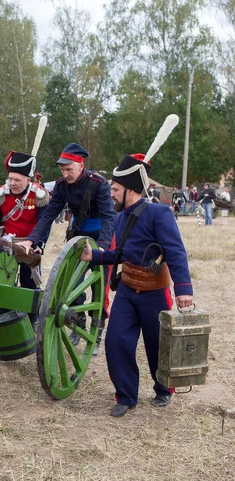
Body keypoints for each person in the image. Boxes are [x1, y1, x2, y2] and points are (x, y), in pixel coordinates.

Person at [81, 153, 193, 417]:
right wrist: (94, 255)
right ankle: (126, 395)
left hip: (155, 292)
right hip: (128, 290)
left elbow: (175, 252)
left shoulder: (159, 213)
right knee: (116, 341)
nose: (112, 194)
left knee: (157, 345)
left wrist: (184, 290)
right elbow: (119, 255)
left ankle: (163, 390)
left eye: (116, 190)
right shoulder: (121, 218)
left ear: (130, 190)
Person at [17, 143, 115, 355]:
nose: (65, 174)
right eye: (62, 170)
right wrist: (31, 240)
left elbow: (109, 217)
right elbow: (49, 215)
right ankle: (77, 326)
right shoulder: (62, 186)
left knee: (100, 289)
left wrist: (103, 250)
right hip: (78, 237)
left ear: (81, 165)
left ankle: (97, 332)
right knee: (72, 285)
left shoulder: (98, 184)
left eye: (69, 169)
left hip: (101, 237)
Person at [0, 150, 49, 324]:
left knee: (29, 284)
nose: (12, 183)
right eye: (10, 179)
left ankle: (32, 319)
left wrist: (39, 243)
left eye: (17, 180)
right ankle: (6, 316)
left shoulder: (39, 196)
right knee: (3, 284)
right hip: (5, 244)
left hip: (30, 244)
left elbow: (44, 223)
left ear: (28, 180)